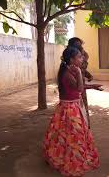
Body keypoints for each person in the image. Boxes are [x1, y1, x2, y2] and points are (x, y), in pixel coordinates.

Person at [43, 47, 100, 176]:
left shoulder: (68, 71)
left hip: (71, 107)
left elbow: (76, 87)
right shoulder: (68, 74)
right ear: (71, 59)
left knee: (65, 137)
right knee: (74, 137)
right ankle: (72, 163)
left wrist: (93, 86)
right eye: (79, 57)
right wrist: (80, 73)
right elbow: (79, 88)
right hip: (70, 110)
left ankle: (68, 159)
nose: (82, 59)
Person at [68, 37, 103, 128]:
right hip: (72, 97)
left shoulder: (75, 63)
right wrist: (92, 86)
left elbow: (82, 70)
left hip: (80, 89)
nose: (82, 59)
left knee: (82, 110)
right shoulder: (69, 70)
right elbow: (78, 87)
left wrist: (88, 75)